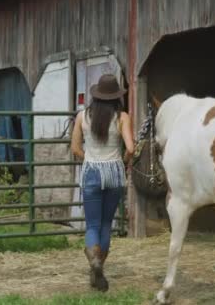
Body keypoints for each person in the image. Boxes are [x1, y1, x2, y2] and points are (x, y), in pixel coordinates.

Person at [71, 74, 134, 292]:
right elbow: (132, 149)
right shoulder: (122, 117)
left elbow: (75, 148)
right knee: (106, 224)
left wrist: (90, 159)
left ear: (96, 96)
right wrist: (121, 162)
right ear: (116, 96)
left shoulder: (82, 117)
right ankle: (99, 267)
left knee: (93, 225)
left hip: (91, 172)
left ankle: (94, 263)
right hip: (115, 173)